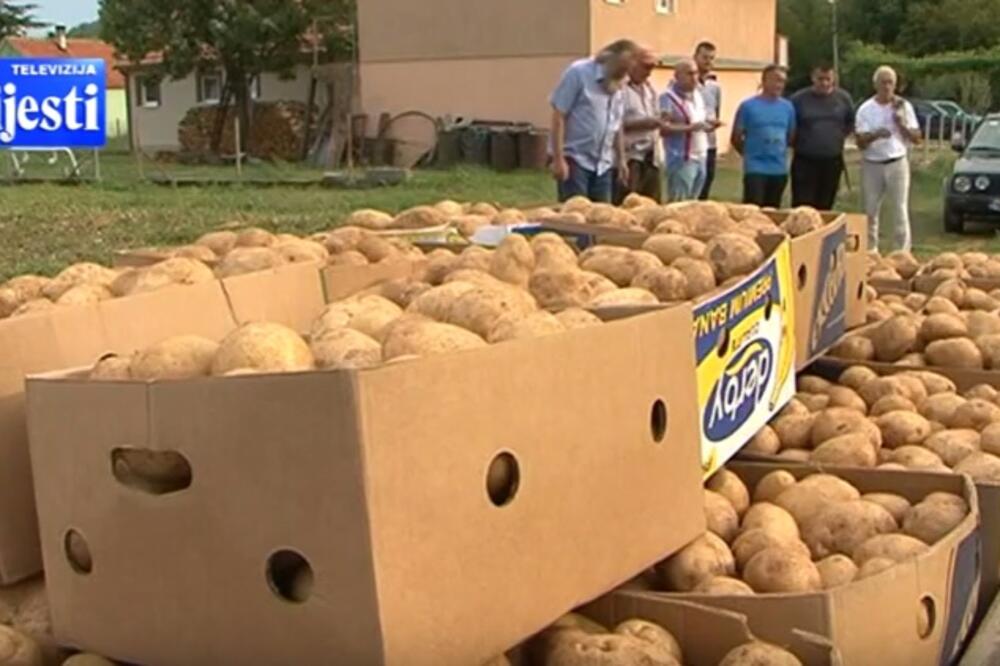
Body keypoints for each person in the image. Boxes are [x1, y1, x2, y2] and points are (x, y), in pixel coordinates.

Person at [549, 40, 639, 203]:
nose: (623, 77)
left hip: (603, 165)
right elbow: (559, 115)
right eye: (621, 70)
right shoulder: (578, 72)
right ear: (610, 60)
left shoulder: (620, 83)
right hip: (575, 160)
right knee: (576, 217)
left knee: (601, 220)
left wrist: (621, 160)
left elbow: (616, 125)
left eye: (626, 72)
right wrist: (558, 159)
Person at [855, 65, 921, 253]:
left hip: (897, 162)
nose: (887, 86)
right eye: (883, 82)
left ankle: (902, 251)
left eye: (890, 82)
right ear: (875, 85)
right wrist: (875, 135)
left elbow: (916, 138)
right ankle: (870, 250)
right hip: (872, 163)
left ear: (895, 85)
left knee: (900, 209)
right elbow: (860, 142)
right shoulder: (866, 109)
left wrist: (901, 124)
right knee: (870, 209)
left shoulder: (903, 106)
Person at [790, 64, 855, 210]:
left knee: (826, 204)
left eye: (828, 79)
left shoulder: (843, 98)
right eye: (820, 79)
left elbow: (850, 122)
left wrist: (836, 137)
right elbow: (790, 125)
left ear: (834, 79)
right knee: (802, 206)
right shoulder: (798, 99)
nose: (824, 83)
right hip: (805, 161)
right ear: (813, 78)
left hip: (832, 160)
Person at [731, 65, 796, 208]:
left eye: (783, 81)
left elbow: (791, 136)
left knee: (773, 211)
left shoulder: (788, 107)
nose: (779, 85)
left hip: (778, 169)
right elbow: (736, 137)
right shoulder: (748, 106)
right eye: (776, 80)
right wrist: (749, 154)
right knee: (753, 210)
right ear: (764, 81)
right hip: (756, 168)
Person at [661, 58, 718, 202]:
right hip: (682, 158)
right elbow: (663, 129)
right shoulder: (667, 98)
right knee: (679, 203)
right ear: (677, 76)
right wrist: (690, 128)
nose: (694, 78)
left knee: (694, 204)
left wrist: (708, 124)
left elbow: (698, 121)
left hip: (701, 156)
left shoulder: (698, 96)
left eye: (696, 73)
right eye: (689, 74)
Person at [613, 47, 664, 204]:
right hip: (631, 157)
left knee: (652, 205)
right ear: (632, 63)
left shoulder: (649, 89)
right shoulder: (620, 89)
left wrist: (660, 120)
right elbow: (616, 123)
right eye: (646, 67)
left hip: (651, 156)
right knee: (628, 203)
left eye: (652, 67)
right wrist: (646, 123)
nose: (649, 72)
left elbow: (656, 117)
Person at [694, 41, 722, 200]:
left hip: (710, 143)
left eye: (711, 58)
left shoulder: (715, 87)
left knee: (706, 184)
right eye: (704, 57)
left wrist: (714, 123)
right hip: (693, 143)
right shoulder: (686, 84)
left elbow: (716, 110)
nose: (708, 62)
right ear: (695, 57)